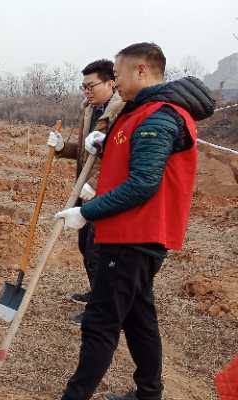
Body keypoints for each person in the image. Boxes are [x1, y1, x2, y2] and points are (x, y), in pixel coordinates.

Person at [55, 42, 214, 400]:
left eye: (118, 74)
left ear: (141, 70)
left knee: (100, 323)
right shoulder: (139, 111)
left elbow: (143, 182)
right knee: (139, 318)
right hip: (129, 234)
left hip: (133, 237)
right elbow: (134, 160)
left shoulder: (160, 116)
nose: (116, 81)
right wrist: (106, 143)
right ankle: (148, 393)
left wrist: (87, 212)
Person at [46, 59, 124, 325]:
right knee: (85, 245)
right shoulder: (91, 110)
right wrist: (62, 148)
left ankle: (104, 307)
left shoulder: (121, 112)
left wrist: (98, 184)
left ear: (110, 83)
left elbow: (121, 158)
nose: (86, 91)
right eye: (84, 87)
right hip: (85, 188)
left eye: (91, 86)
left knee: (97, 250)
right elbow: (86, 151)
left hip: (106, 192)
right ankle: (96, 292)